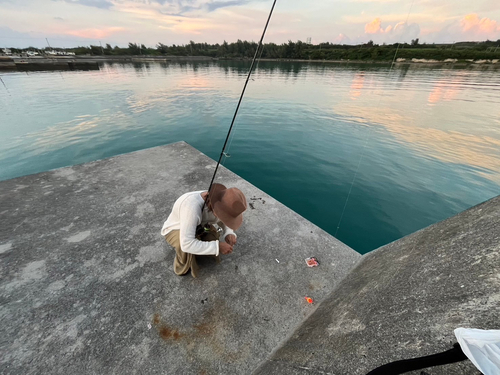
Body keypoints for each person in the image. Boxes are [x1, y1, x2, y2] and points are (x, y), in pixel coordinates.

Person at [161, 183, 247, 278]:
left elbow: (224, 220)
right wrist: (217, 246)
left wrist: (229, 232)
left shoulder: (217, 198)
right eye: (224, 214)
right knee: (184, 246)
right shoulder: (191, 207)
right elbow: (187, 244)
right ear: (216, 206)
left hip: (200, 225)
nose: (224, 217)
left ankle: (199, 244)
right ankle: (182, 264)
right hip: (176, 228)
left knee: (212, 237)